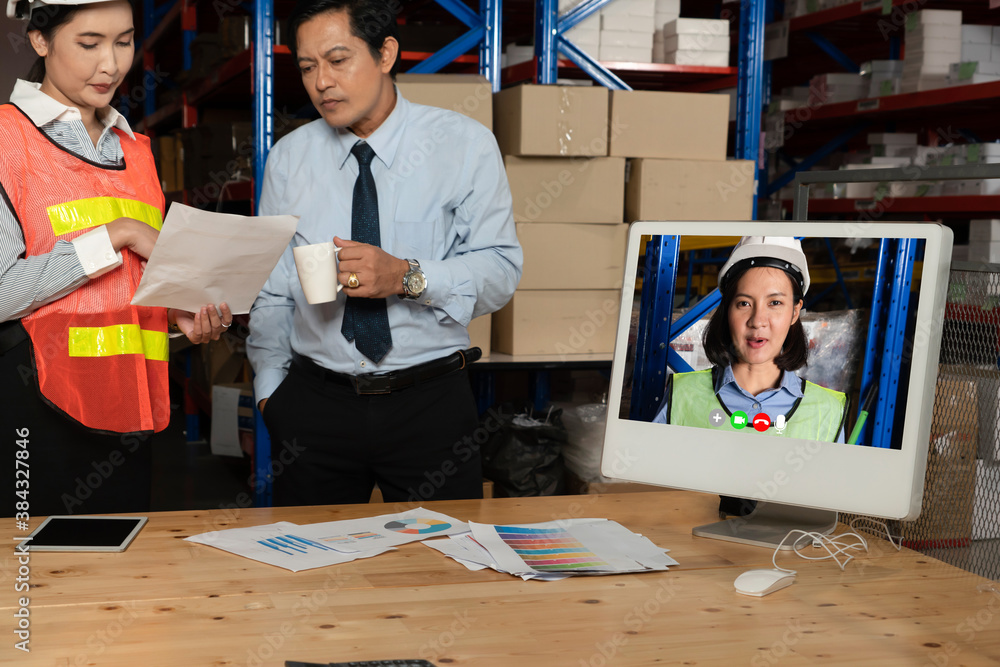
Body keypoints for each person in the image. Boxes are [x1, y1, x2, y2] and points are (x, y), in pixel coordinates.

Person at [247, 0, 522, 507]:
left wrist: (405, 277)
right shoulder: (289, 158)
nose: (321, 82)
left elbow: (501, 270)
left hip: (430, 404)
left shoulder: (463, 146)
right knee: (312, 565)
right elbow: (272, 290)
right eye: (307, 67)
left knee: (442, 569)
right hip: (314, 406)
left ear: (385, 53)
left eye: (337, 59)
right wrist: (271, 393)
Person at [1, 0, 233, 515]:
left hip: (130, 409)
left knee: (125, 583)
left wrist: (178, 317)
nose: (111, 63)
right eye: (89, 44)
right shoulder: (6, 139)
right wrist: (117, 234)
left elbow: (128, 284)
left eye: (124, 41)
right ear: (40, 42)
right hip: (36, 408)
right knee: (38, 581)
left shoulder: (136, 149)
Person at [653, 236, 849, 443]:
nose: (757, 321)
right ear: (727, 311)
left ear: (795, 312)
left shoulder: (827, 410)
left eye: (775, 302)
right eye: (744, 303)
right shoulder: (682, 395)